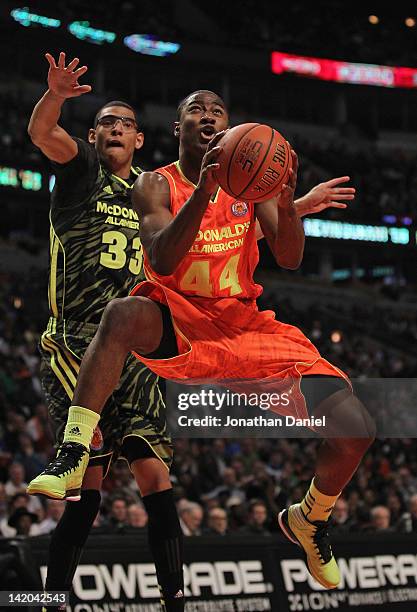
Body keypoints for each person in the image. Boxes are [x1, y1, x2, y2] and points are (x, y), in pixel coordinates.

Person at [29, 89, 369, 591]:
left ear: (230, 129)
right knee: (123, 313)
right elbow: (163, 260)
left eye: (218, 111)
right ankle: (74, 449)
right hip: (181, 320)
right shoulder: (153, 185)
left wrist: (286, 200)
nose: (208, 116)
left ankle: (309, 518)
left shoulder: (254, 189)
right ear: (177, 128)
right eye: (196, 110)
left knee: (356, 429)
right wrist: (207, 188)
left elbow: (291, 257)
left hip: (248, 329)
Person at [26, 52, 184, 611]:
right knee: (86, 492)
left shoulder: (154, 192)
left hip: (136, 351)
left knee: (155, 477)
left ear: (140, 140)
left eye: (125, 123)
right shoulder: (79, 172)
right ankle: (44, 600)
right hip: (78, 344)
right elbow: (42, 131)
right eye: (106, 122)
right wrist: (57, 96)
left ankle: (175, 599)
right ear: (93, 135)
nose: (115, 128)